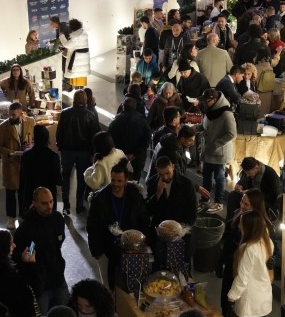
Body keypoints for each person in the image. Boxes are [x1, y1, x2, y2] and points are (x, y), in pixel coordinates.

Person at [86, 159, 150, 289]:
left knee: (132, 283)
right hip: (107, 249)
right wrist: (97, 252)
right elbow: (92, 227)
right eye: (113, 180)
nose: (115, 184)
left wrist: (142, 243)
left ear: (126, 181)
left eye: (119, 181)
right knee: (109, 285)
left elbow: (144, 220)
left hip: (132, 249)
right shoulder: (99, 200)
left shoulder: (135, 197)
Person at [12, 186, 69, 314]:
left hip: (58, 277)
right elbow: (16, 253)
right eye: (44, 203)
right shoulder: (26, 228)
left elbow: (59, 241)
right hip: (39, 283)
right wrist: (22, 257)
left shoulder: (58, 218)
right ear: (35, 203)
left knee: (65, 315)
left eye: (51, 201)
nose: (49, 206)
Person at [218, 189, 272, 317]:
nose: (242, 206)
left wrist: (232, 298)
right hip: (231, 267)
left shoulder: (256, 238)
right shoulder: (238, 215)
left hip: (244, 275)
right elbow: (228, 239)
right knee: (225, 304)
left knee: (233, 311)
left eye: (246, 204)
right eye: (242, 201)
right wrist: (221, 261)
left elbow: (243, 278)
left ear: (255, 206)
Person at [145, 155, 198, 269]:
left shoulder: (187, 184)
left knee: (181, 267)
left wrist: (178, 230)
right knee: (159, 267)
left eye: (167, 173)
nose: (165, 177)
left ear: (173, 167)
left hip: (180, 231)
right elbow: (148, 210)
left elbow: (192, 214)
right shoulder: (152, 183)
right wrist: (158, 193)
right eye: (161, 174)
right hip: (160, 231)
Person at [226, 210, 274, 317]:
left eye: (241, 223)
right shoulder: (267, 242)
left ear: (249, 227)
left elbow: (243, 278)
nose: (239, 226)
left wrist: (231, 297)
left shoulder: (248, 249)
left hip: (250, 303)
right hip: (263, 299)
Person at [57, 89, 100, 215]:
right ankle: (79, 205)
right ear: (85, 99)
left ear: (74, 99)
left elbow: (59, 133)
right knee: (82, 179)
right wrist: (93, 152)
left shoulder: (65, 113)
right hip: (84, 152)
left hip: (67, 151)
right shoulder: (90, 115)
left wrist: (60, 147)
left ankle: (66, 204)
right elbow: (95, 136)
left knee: (65, 177)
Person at [195, 88, 237, 214]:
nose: (205, 103)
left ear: (215, 100)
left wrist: (216, 143)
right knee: (206, 177)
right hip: (208, 150)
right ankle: (205, 200)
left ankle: (219, 202)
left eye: (207, 101)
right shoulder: (209, 111)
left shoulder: (226, 113)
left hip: (219, 152)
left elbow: (232, 134)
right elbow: (205, 126)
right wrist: (196, 128)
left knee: (219, 178)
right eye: (204, 101)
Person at [0, 102, 36, 229]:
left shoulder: (31, 121)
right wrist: (9, 152)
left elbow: (35, 139)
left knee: (24, 191)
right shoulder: (2, 127)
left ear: (21, 113)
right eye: (9, 114)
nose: (10, 117)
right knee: (10, 194)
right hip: (11, 164)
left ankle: (23, 215)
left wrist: (31, 145)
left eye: (13, 115)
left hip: (26, 163)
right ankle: (11, 218)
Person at [20, 124, 63, 213]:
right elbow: (58, 180)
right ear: (47, 137)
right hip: (48, 194)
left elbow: (23, 177)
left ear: (34, 137)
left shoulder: (26, 155)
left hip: (31, 195)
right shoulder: (53, 156)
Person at [108, 98, 152, 182]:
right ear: (135, 107)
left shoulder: (115, 121)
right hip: (137, 158)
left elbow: (110, 138)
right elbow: (147, 139)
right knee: (134, 181)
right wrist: (135, 153)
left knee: (120, 179)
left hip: (119, 157)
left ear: (123, 107)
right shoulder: (142, 121)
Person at [59, 19, 90, 89]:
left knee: (76, 74)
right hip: (83, 58)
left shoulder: (75, 37)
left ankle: (77, 91)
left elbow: (67, 45)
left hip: (76, 59)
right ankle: (81, 90)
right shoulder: (83, 34)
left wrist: (61, 36)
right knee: (81, 74)